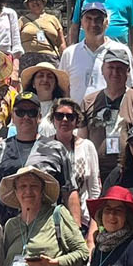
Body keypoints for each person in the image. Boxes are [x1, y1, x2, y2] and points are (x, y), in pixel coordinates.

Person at [0, 94, 79, 225]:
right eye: (20, 112)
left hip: (46, 229)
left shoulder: (56, 149)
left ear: (39, 117)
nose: (26, 117)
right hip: (7, 230)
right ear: (13, 116)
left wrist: (76, 228)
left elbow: (69, 191)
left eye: (31, 112)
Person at [81, 41, 133, 181]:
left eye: (120, 68)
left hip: (131, 172)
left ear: (128, 71)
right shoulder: (88, 102)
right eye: (111, 67)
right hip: (96, 173)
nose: (115, 72)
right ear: (102, 69)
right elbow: (81, 141)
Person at [51, 97, 100, 235]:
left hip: (82, 221)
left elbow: (94, 190)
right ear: (53, 120)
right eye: (59, 116)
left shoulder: (87, 147)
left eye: (70, 116)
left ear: (77, 120)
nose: (64, 120)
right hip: (51, 221)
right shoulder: (44, 146)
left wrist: (92, 229)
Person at [58, 2, 112, 103]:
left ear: (107, 22)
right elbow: (63, 89)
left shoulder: (119, 51)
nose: (93, 24)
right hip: (77, 115)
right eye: (88, 19)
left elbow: (130, 87)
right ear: (82, 23)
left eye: (98, 19)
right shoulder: (69, 54)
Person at [19, 61, 70, 138]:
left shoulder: (62, 108)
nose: (45, 79)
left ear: (55, 84)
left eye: (49, 76)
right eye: (40, 76)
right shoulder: (23, 106)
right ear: (33, 83)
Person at [18, 0, 64, 64]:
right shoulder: (22, 20)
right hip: (28, 58)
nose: (35, 2)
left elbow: (61, 43)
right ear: (28, 4)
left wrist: (64, 59)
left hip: (50, 57)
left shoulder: (53, 19)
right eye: (31, 0)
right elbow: (15, 40)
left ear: (43, 2)